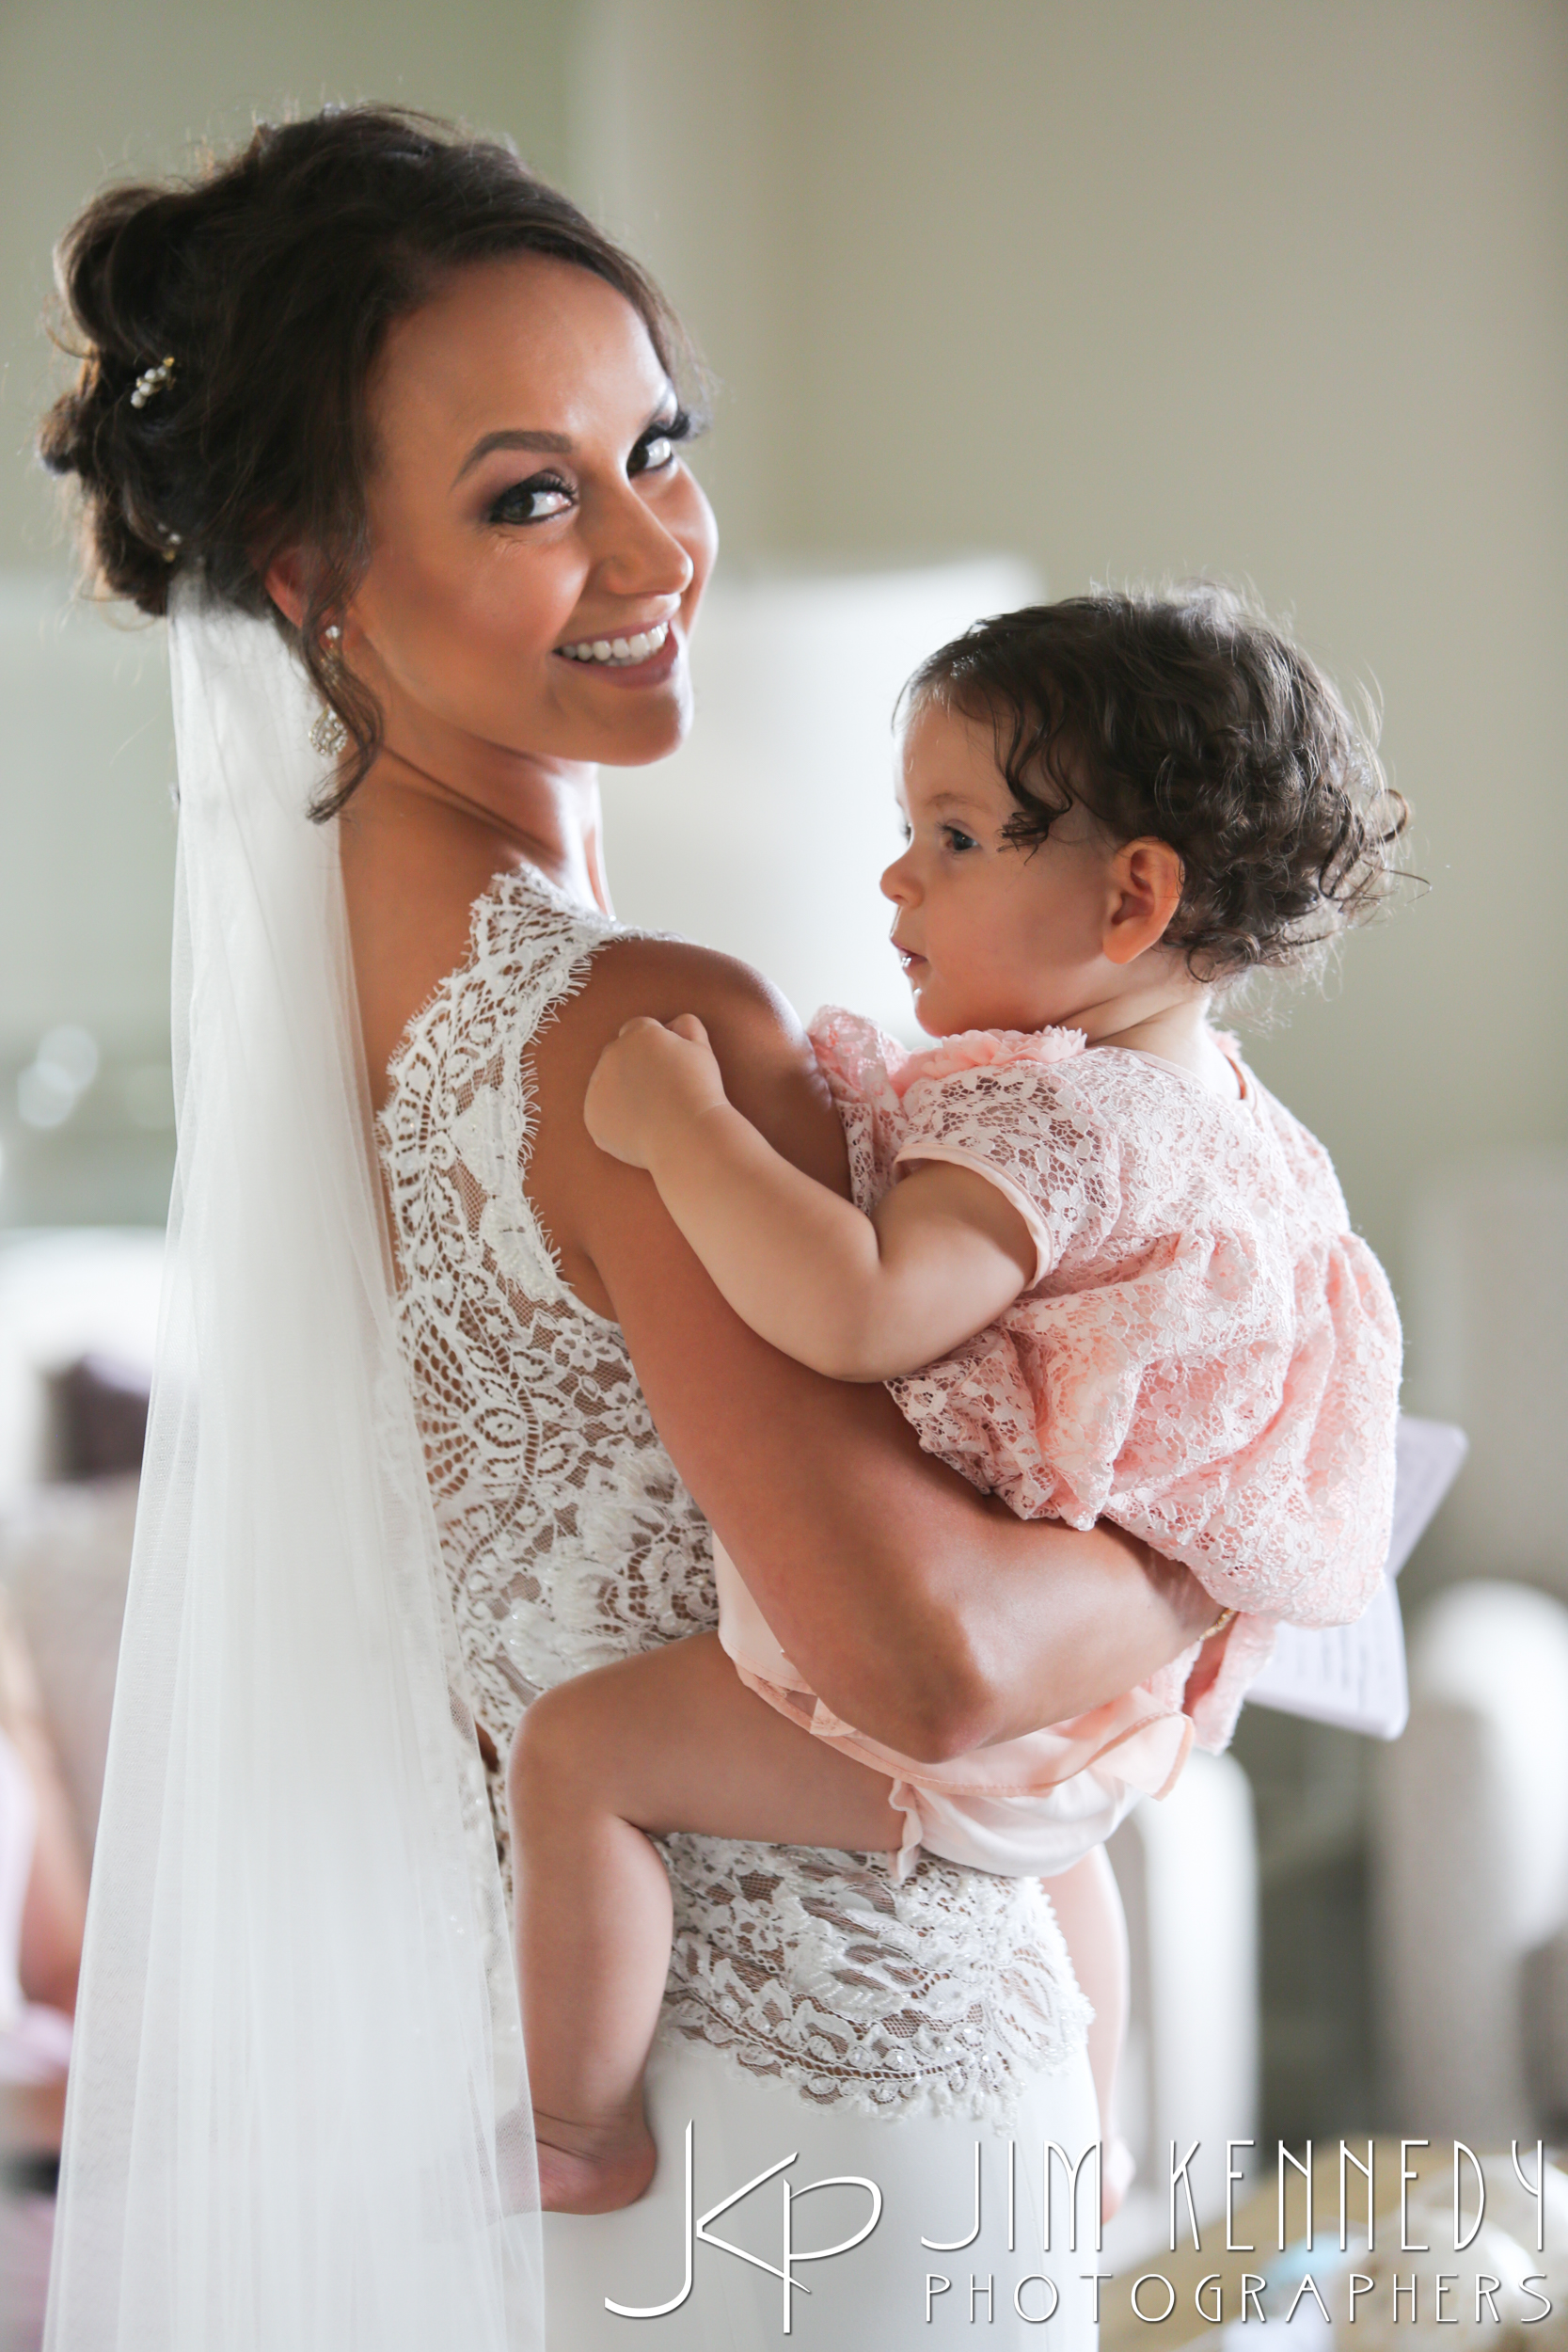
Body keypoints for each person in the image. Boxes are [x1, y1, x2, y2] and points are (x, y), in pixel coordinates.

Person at [40, 107, 1224, 2348]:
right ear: (307, 574)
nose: (652, 544)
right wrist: (1234, 1535)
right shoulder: (644, 1028)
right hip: (845, 2120)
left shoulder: (334, 1019)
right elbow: (932, 1660)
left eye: (654, 446)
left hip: (607, 2114)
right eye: (528, 493)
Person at [508, 587, 1404, 2218]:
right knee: (1069, 1856)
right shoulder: (1252, 1131)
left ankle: (575, 2129)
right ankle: (1103, 2143)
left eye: (956, 835)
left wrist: (683, 1133)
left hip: (967, 1715)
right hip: (1111, 1722)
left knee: (578, 1753)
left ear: (1132, 898)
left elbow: (856, 1314)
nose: (896, 876)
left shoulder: (1045, 1123)